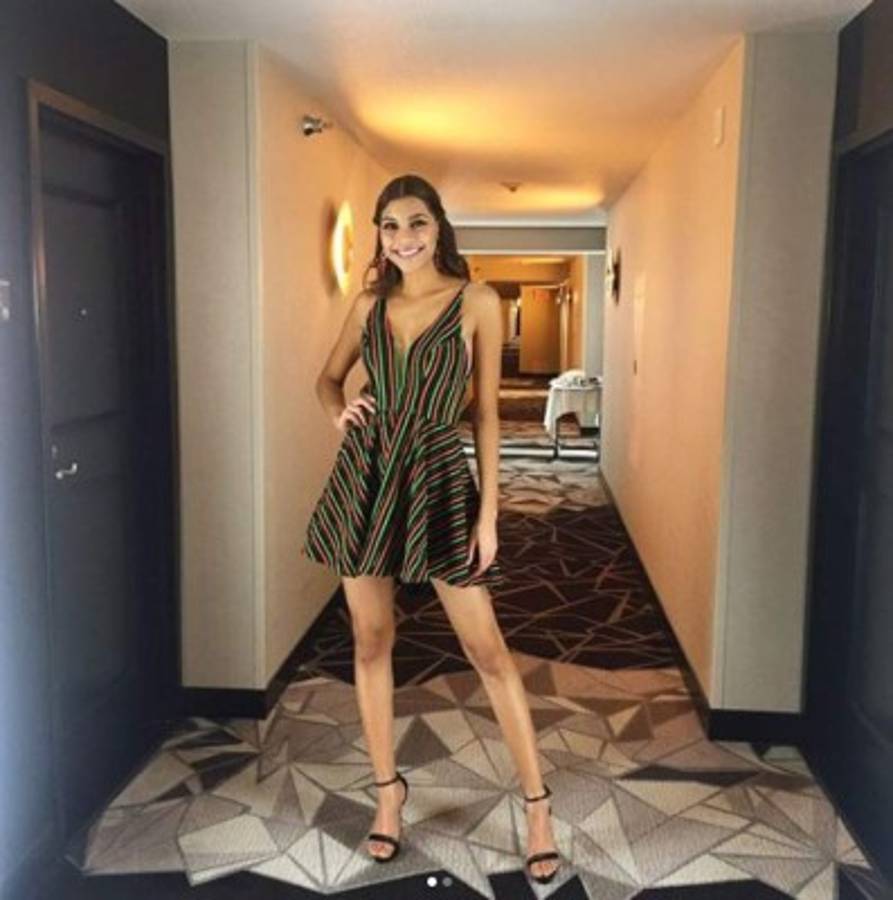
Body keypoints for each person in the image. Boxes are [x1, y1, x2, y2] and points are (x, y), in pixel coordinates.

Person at [301, 174, 561, 885]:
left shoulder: (477, 301)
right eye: (389, 226)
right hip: (367, 474)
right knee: (370, 641)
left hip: (441, 478)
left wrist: (490, 513)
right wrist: (338, 413)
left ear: (438, 226)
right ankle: (388, 794)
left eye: (416, 222)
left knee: (487, 650)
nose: (403, 238)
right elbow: (327, 379)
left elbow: (485, 413)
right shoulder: (368, 304)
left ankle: (537, 806)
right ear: (379, 235)